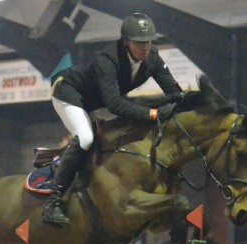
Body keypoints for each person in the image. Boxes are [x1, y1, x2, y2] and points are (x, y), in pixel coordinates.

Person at [41, 13, 184, 226]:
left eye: (149, 43)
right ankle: (54, 202)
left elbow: (175, 93)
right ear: (126, 42)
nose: (145, 48)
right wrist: (153, 114)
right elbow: (115, 105)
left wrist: (181, 103)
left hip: (91, 102)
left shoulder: (153, 60)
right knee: (86, 138)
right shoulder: (107, 59)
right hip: (67, 92)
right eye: (139, 44)